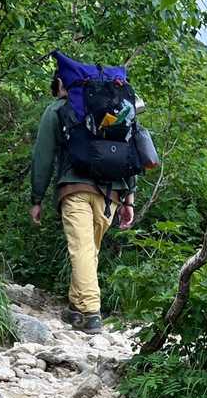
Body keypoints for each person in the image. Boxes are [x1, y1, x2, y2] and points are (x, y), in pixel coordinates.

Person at [29, 71, 136, 334]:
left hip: (74, 189)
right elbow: (130, 149)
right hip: (111, 193)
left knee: (83, 250)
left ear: (59, 83)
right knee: (88, 250)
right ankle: (76, 308)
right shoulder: (113, 107)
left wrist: (37, 198)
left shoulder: (57, 109)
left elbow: (43, 155)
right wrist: (129, 198)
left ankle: (91, 312)